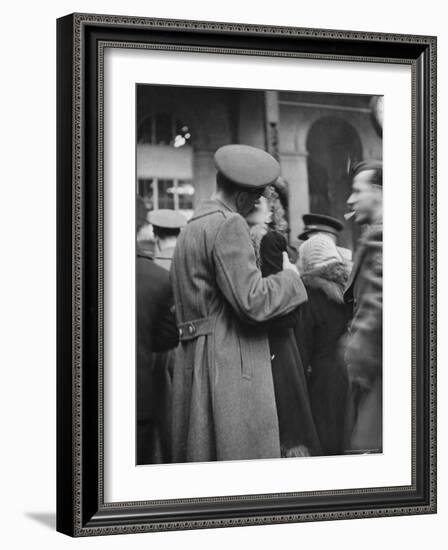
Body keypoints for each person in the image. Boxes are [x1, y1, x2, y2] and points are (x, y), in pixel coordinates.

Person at [170, 144, 307, 463]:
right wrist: (290, 277)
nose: (256, 205)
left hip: (195, 361)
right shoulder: (228, 224)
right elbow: (252, 301)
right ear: (245, 197)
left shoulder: (191, 227)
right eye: (256, 198)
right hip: (228, 363)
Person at [247, 192, 320, 457]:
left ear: (270, 211)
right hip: (276, 340)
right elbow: (285, 311)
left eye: (262, 199)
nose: (256, 202)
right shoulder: (264, 239)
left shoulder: (265, 240)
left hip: (269, 341)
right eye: (252, 197)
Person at [294, 231, 352, 455]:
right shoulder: (349, 290)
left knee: (326, 444)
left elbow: (301, 349)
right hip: (349, 374)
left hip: (321, 382)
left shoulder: (309, 294)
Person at [136, 197, 179, 464]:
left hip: (150, 355)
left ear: (154, 233)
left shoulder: (154, 265)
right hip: (176, 345)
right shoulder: (182, 263)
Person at [344, 160, 383, 453]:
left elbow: (379, 304)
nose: (350, 199)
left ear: (379, 192)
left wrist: (357, 348)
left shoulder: (382, 237)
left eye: (358, 191)